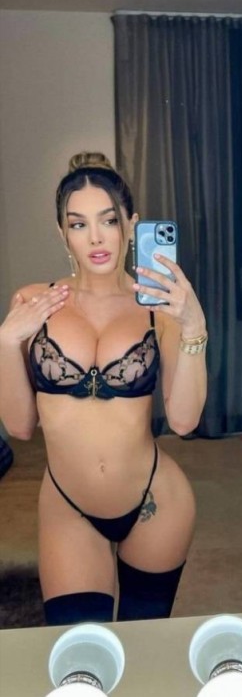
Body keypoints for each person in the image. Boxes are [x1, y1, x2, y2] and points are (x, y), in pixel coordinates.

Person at [0, 152, 207, 625]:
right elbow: (20, 427)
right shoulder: (33, 303)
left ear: (131, 225)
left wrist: (194, 326)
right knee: (79, 654)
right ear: (62, 233)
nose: (95, 237)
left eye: (109, 220)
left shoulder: (160, 309)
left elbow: (184, 420)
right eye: (78, 224)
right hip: (68, 506)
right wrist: (6, 342)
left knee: (145, 648)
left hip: (155, 502)